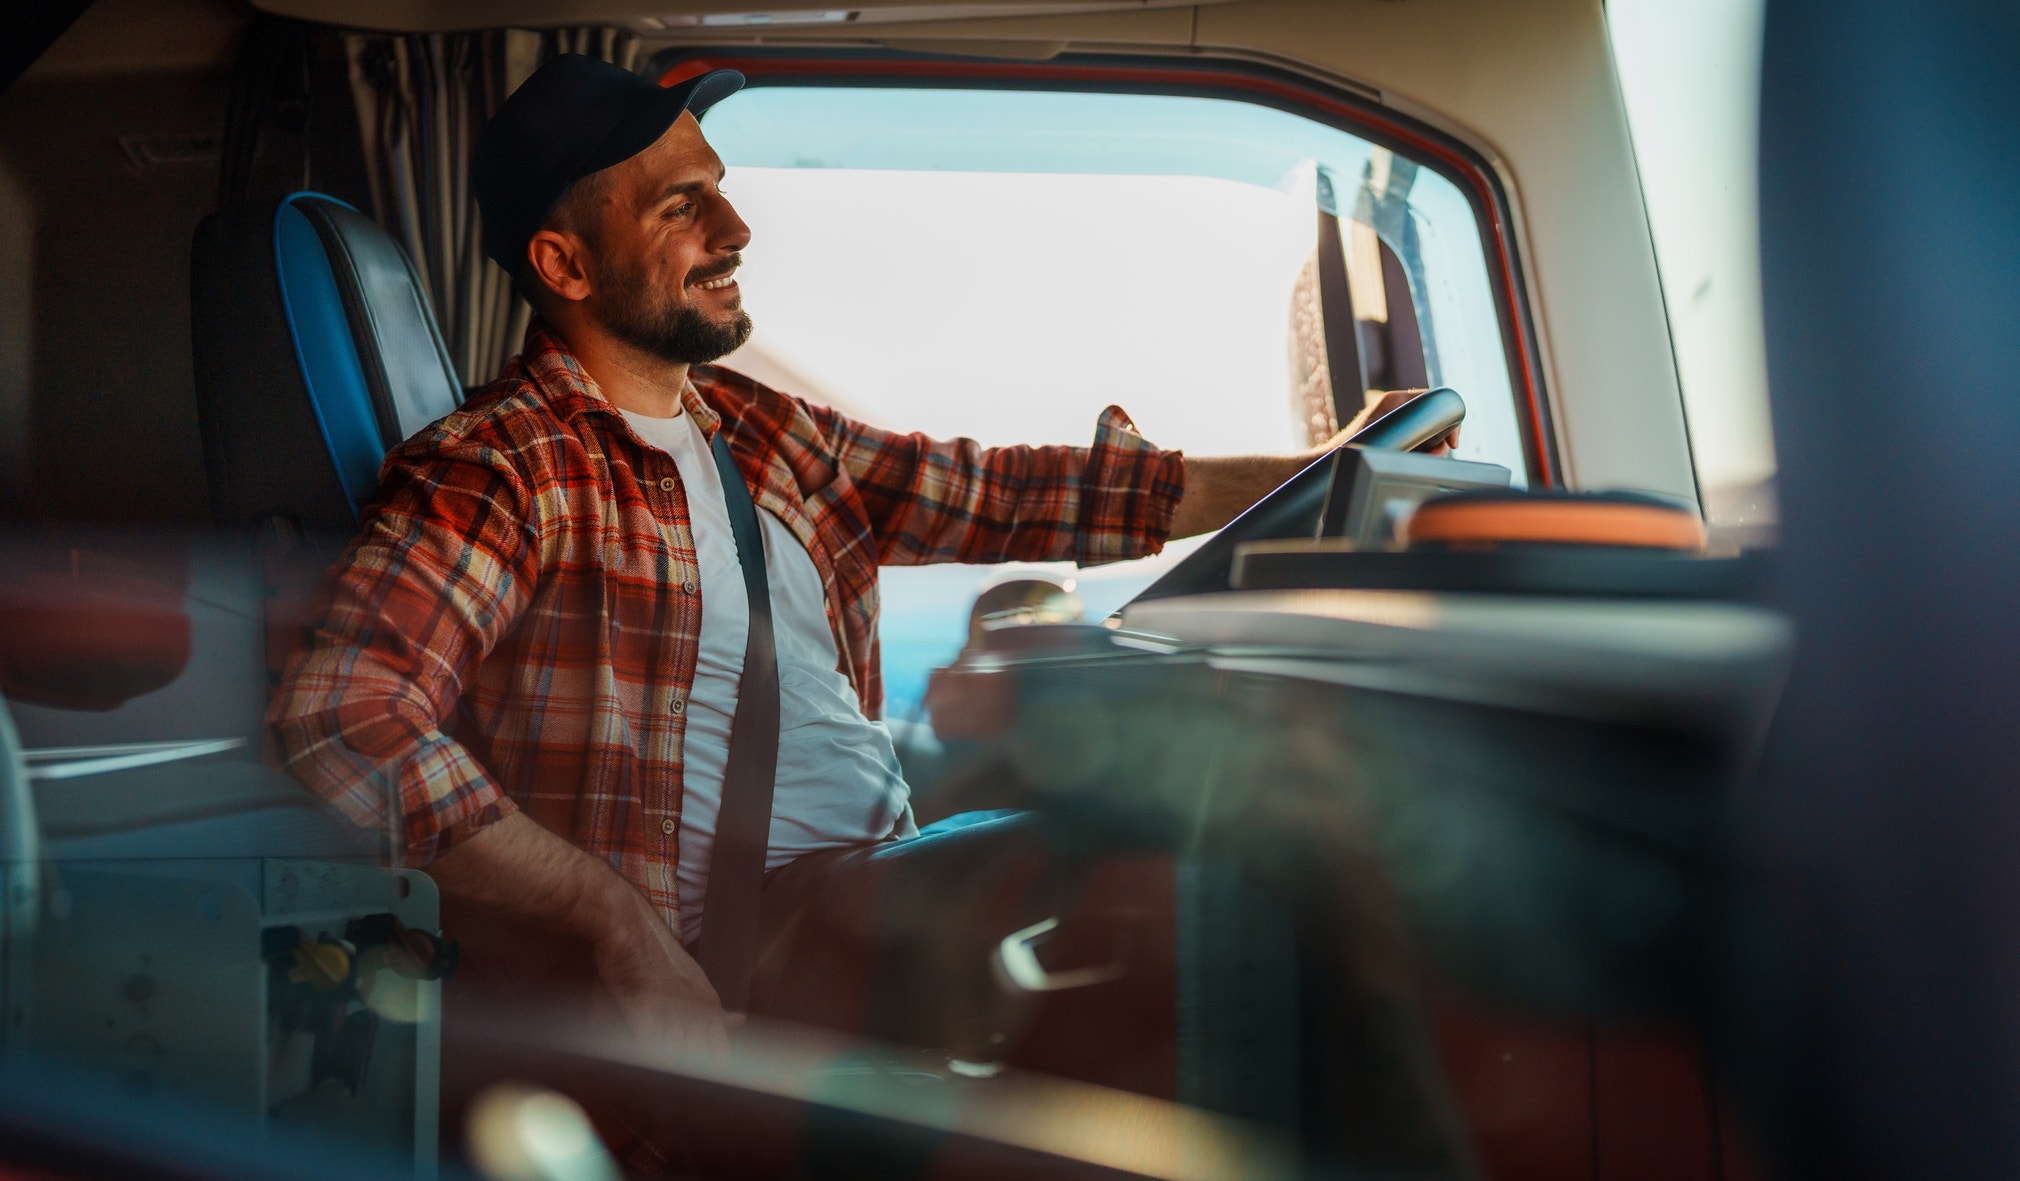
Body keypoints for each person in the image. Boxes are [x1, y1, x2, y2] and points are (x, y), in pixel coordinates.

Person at [268, 55, 1454, 1060]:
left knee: (1270, 828)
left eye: (718, 195)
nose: (734, 231)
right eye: (679, 208)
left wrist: (1335, 465)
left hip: (880, 869)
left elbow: (1024, 492)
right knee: (1248, 860)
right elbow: (346, 717)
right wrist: (613, 923)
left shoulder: (758, 429)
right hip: (757, 958)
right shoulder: (504, 466)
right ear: (566, 267)